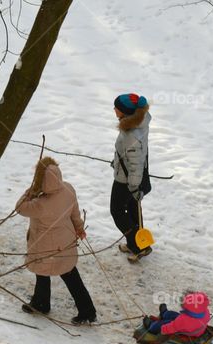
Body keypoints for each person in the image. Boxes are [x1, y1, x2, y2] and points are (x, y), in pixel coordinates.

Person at [16, 157, 97, 324]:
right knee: (70, 275)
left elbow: (20, 207)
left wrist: (32, 189)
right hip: (64, 244)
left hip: (44, 247)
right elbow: (75, 213)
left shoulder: (40, 204)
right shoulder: (68, 189)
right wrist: (79, 228)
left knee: (42, 272)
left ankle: (41, 303)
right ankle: (87, 310)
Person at [111, 92, 153, 261]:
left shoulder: (131, 134)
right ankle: (137, 242)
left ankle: (139, 245)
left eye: (117, 108)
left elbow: (135, 162)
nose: (114, 109)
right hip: (130, 177)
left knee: (117, 211)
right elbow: (132, 156)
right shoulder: (139, 123)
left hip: (126, 181)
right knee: (132, 208)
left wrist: (134, 186)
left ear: (125, 112)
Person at [143, 291, 211, 337]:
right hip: (195, 327)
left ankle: (151, 326)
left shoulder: (183, 320)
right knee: (176, 315)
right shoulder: (205, 312)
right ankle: (165, 314)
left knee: (166, 323)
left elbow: (172, 327)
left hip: (187, 330)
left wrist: (163, 329)